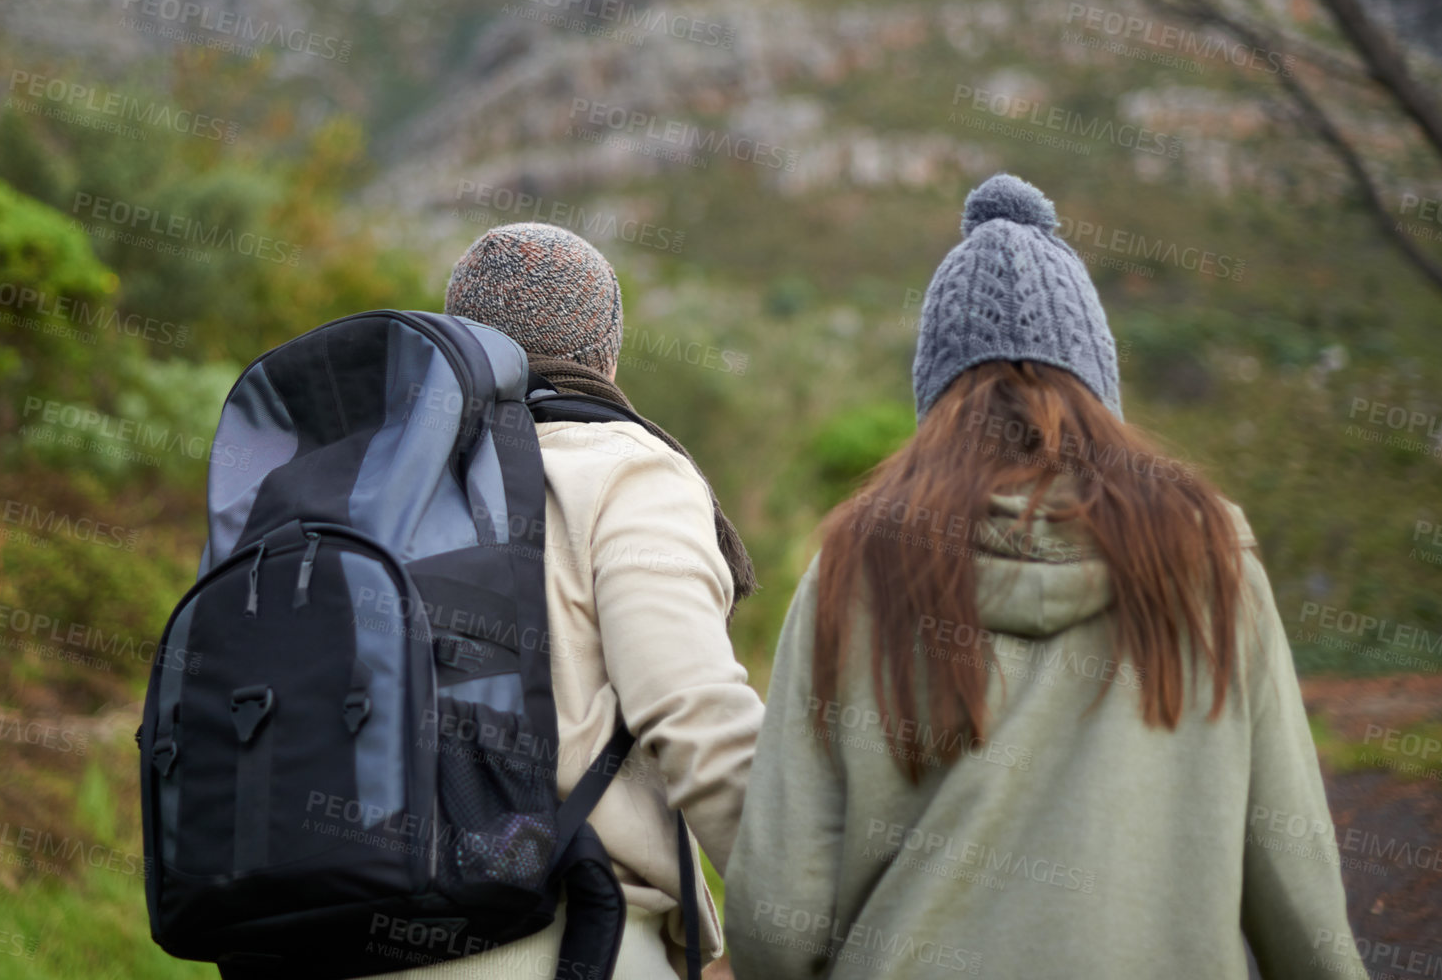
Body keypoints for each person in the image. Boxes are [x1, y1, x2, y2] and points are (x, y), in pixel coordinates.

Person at [724, 174, 1368, 980]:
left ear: (935, 392)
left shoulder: (854, 563)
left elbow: (773, 923)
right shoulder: (1209, 550)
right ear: (1097, 384)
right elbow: (1292, 870)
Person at [373, 222, 765, 980]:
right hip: (555, 937)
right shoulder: (621, 470)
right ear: (607, 350)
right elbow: (689, 708)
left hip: (335, 931)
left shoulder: (376, 483)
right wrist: (811, 908)